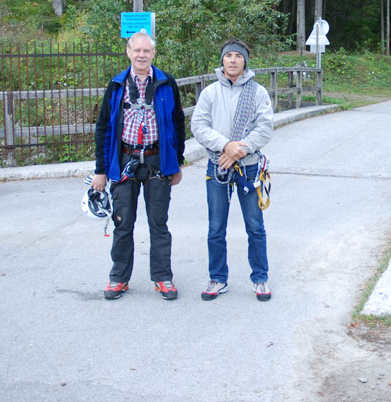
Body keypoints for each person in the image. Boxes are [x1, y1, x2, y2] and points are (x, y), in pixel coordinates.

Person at [91, 30, 186, 300]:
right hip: (124, 160)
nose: (142, 55)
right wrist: (100, 170)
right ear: (128, 53)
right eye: (137, 51)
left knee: (159, 223)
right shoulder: (117, 85)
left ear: (153, 54)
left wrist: (177, 162)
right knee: (123, 222)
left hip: (157, 159)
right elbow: (103, 129)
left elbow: (178, 125)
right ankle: (118, 278)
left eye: (147, 51)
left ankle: (163, 277)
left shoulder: (167, 83)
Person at [191, 38, 274, 302]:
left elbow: (265, 127)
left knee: (255, 226)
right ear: (222, 61)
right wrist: (225, 146)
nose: (233, 60)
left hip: (249, 168)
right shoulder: (210, 93)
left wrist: (243, 149)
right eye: (229, 56)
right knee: (216, 226)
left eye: (238, 56)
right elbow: (199, 125)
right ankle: (217, 278)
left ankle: (260, 278)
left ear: (245, 61)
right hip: (218, 165)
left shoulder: (258, 92)